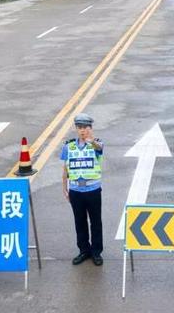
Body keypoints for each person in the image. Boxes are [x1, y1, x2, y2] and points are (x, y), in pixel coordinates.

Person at [61, 113, 104, 266]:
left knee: (95, 221)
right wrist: (64, 187)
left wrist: (91, 141)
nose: (82, 130)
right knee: (79, 222)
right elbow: (65, 168)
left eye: (85, 127)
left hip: (93, 190)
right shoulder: (69, 146)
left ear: (90, 128)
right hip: (76, 191)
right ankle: (84, 250)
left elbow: (99, 148)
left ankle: (96, 252)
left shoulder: (96, 144)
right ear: (76, 129)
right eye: (79, 127)